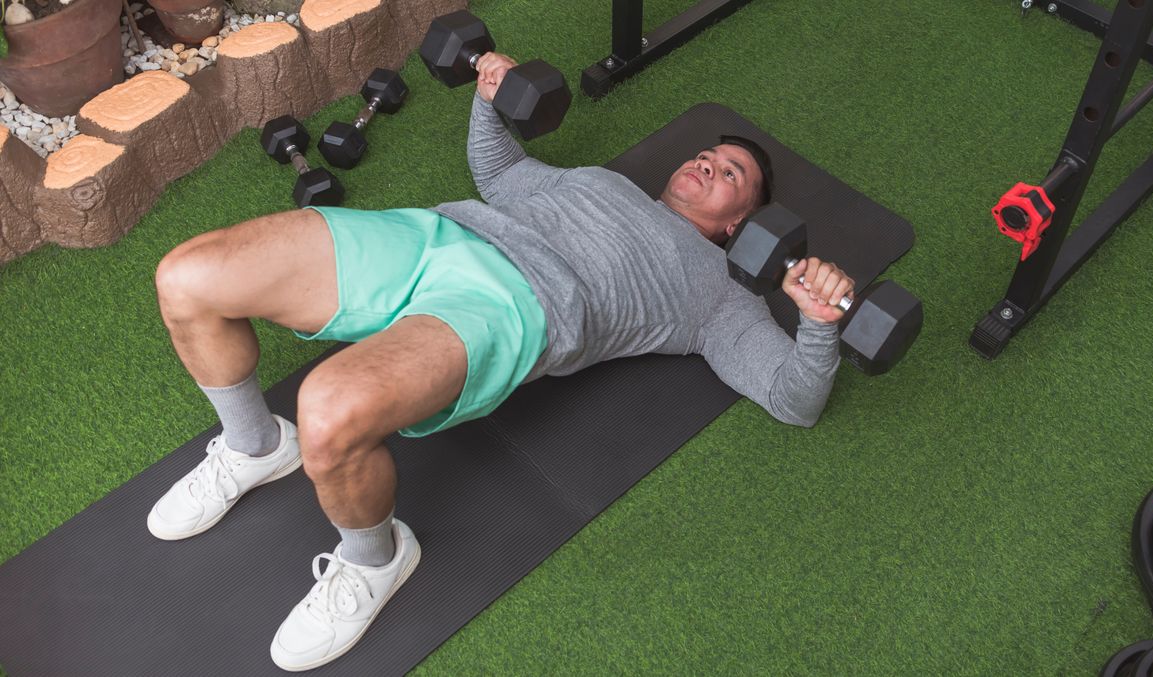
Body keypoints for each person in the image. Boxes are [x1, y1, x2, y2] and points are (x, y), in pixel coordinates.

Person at [148, 52, 854, 671]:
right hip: (438, 234)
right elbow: (501, 171)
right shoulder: (599, 181)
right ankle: (255, 444)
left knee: (330, 411)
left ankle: (375, 559)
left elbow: (794, 398)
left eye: (730, 173)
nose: (706, 162)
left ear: (739, 224)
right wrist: (488, 100)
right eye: (708, 155)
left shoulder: (714, 292)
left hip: (516, 303)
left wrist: (818, 323)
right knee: (187, 277)